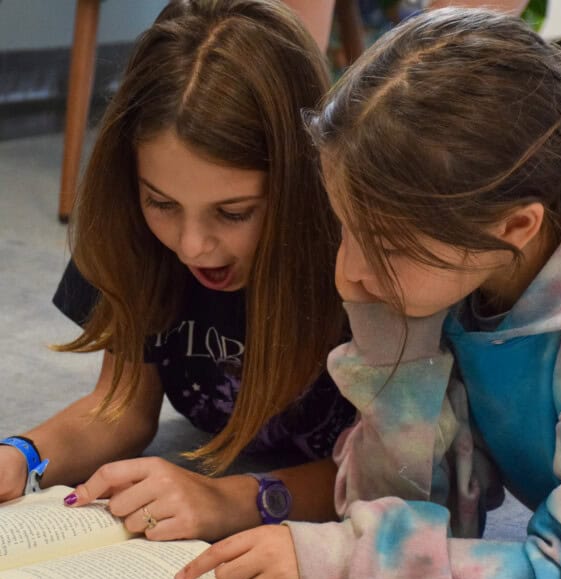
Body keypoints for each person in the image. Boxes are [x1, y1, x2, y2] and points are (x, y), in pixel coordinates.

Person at [176, 7, 561, 579]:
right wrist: (395, 345)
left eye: (388, 246)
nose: (346, 276)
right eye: (345, 231)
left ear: (515, 227)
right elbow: (417, 505)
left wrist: (349, 564)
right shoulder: (465, 265)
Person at [0, 0, 355, 543]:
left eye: (234, 213)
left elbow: (403, 480)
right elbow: (120, 408)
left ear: (307, 185)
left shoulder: (362, 261)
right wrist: (23, 454)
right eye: (161, 203)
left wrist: (231, 498)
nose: (192, 247)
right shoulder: (133, 234)